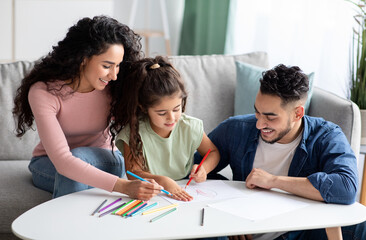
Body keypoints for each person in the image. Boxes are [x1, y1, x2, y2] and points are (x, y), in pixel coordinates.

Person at [196, 64, 365, 239]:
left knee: (361, 226)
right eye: (257, 112)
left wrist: (274, 181)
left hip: (296, 232)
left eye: (270, 117)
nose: (259, 124)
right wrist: (228, 216)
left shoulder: (326, 136)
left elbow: (346, 188)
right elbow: (193, 171)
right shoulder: (236, 129)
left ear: (297, 114)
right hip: (241, 231)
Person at [12, 15, 163, 200]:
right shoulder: (43, 92)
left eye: (118, 66)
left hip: (106, 160)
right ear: (83, 59)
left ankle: (61, 228)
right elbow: (63, 161)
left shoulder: (115, 86)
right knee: (72, 171)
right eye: (107, 66)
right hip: (48, 164)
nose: (114, 75)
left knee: (76, 165)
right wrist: (124, 187)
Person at [109, 56, 220, 201]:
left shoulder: (190, 127)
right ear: (144, 108)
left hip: (186, 188)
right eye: (162, 113)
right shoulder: (134, 132)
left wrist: (204, 169)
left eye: (176, 109)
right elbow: (133, 173)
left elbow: (213, 152)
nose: (171, 118)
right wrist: (164, 181)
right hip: (153, 193)